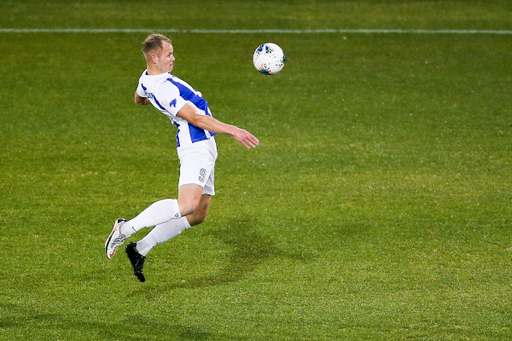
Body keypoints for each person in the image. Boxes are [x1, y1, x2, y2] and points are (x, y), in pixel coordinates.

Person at [105, 33, 259, 282]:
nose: (173, 58)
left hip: (206, 143)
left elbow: (138, 98)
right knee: (186, 205)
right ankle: (124, 228)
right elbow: (196, 118)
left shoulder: (147, 80)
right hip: (195, 144)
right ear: (154, 58)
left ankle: (138, 249)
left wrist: (152, 99)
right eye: (168, 54)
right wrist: (234, 130)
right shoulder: (163, 88)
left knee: (198, 214)